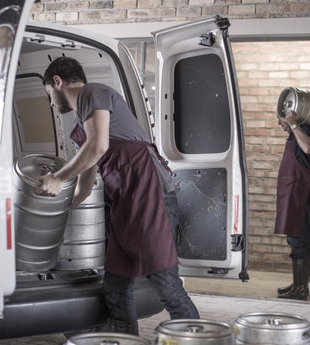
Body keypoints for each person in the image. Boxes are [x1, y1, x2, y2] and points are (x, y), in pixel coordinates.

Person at [35, 56, 199, 334]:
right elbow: (86, 183)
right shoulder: (83, 124)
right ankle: (126, 341)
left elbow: (98, 147)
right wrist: (58, 217)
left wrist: (58, 177)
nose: (51, 103)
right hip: (127, 201)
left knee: (165, 283)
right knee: (116, 286)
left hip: (149, 192)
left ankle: (202, 340)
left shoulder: (92, 93)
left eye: (49, 94)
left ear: (57, 82)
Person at [274, 109, 310, 301]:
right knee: (295, 239)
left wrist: (294, 124)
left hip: (303, 193)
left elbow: (308, 148)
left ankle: (301, 290)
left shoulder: (306, 131)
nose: (279, 124)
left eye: (280, 120)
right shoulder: (295, 134)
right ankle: (298, 284)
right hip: (294, 193)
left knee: (300, 239)